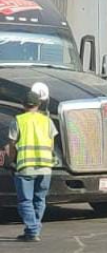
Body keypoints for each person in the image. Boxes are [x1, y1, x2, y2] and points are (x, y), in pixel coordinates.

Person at [7, 89, 56, 242]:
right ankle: (32, 231)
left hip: (26, 166)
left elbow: (12, 145)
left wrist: (11, 161)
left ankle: (33, 229)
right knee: (39, 199)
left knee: (25, 201)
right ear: (38, 104)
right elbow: (52, 145)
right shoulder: (47, 121)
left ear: (23, 104)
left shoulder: (18, 120)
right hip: (46, 167)